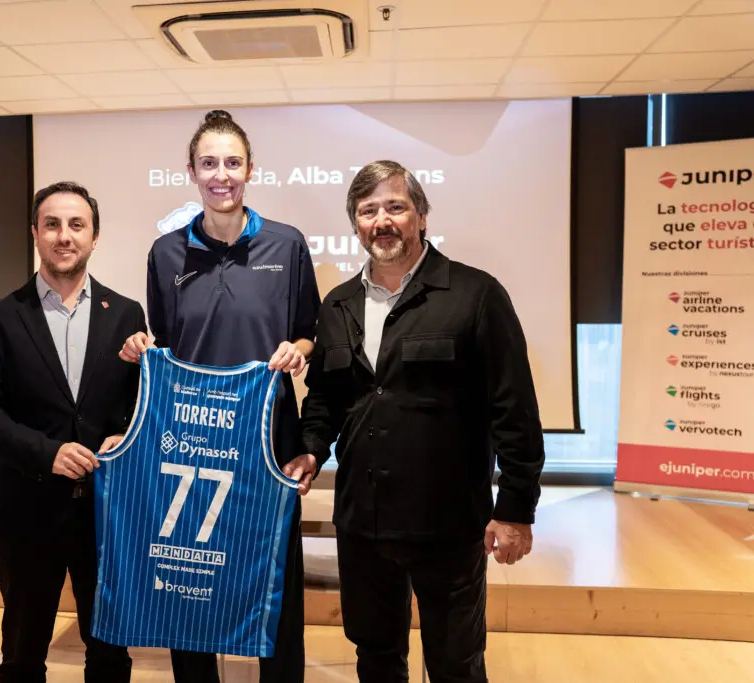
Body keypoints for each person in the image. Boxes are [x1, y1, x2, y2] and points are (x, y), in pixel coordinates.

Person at [299, 160, 545, 683]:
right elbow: (324, 398)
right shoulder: (337, 305)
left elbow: (514, 407)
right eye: (368, 211)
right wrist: (310, 448)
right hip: (363, 522)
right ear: (356, 223)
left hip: (449, 523)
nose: (382, 220)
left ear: (422, 215)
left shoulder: (476, 295)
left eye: (395, 206)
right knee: (376, 656)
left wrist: (516, 508)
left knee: (455, 663)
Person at [119, 109, 322, 682]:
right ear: (191, 171)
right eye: (209, 163)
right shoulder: (165, 254)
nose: (221, 174)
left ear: (250, 169)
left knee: (272, 580)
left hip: (265, 436)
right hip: (191, 440)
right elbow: (167, 343)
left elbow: (310, 329)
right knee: (192, 581)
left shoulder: (288, 243)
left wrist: (296, 349)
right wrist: (143, 346)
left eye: (232, 162)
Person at [0, 181, 145, 683]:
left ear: (94, 236)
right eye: (52, 224)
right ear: (35, 233)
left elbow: (138, 406)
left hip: (107, 517)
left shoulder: (126, 314)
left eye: (76, 225)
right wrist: (47, 453)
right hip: (28, 514)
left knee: (110, 654)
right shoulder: (0, 318)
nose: (64, 236)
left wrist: (124, 436)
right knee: (22, 654)